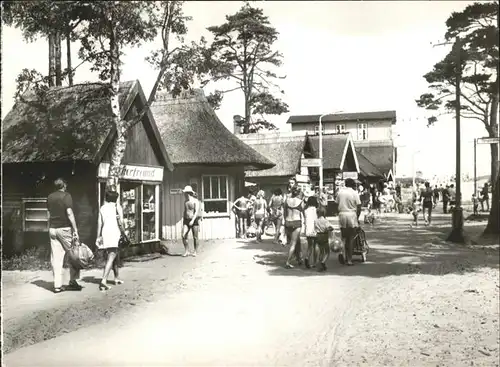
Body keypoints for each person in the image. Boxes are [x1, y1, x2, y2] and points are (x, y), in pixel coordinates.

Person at [47, 178, 82, 293]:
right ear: (64, 185)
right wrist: (75, 229)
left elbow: (48, 214)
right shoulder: (66, 196)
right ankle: (73, 281)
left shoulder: (50, 197)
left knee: (56, 258)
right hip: (64, 228)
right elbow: (69, 213)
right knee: (73, 254)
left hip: (53, 229)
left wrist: (50, 227)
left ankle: (57, 286)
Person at [96, 190, 124, 291]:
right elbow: (122, 222)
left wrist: (98, 236)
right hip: (115, 233)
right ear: (116, 199)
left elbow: (99, 223)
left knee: (114, 254)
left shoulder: (102, 208)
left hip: (105, 233)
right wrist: (124, 233)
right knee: (111, 256)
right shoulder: (117, 208)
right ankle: (103, 281)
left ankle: (116, 278)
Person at [335, 178, 362, 266]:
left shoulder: (340, 192)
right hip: (351, 214)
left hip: (342, 214)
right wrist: (357, 217)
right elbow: (359, 205)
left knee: (343, 237)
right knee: (351, 238)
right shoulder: (354, 193)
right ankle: (349, 260)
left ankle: (342, 253)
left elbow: (336, 204)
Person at [284, 186, 304, 269]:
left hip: (288, 221)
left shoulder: (287, 201)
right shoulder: (300, 201)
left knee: (296, 241)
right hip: (296, 222)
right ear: (298, 193)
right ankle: (288, 262)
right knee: (294, 243)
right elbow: (303, 212)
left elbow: (284, 212)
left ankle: (299, 258)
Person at [314, 207, 334, 272]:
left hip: (318, 236)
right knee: (327, 252)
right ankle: (323, 262)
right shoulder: (325, 221)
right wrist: (329, 229)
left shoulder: (316, 220)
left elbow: (315, 228)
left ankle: (320, 264)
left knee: (321, 251)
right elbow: (330, 228)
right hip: (324, 236)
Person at [182, 185, 200, 257]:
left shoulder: (195, 201)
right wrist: (184, 219)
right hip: (186, 220)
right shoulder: (185, 201)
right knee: (183, 235)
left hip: (194, 220)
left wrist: (192, 220)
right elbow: (185, 211)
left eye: (185, 193)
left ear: (188, 193)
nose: (184, 194)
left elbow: (196, 212)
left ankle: (195, 251)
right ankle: (187, 251)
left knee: (195, 237)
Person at [303, 196, 319, 269]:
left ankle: (307, 257)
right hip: (315, 229)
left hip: (308, 229)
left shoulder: (306, 210)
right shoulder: (317, 210)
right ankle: (315, 262)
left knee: (310, 246)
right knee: (316, 245)